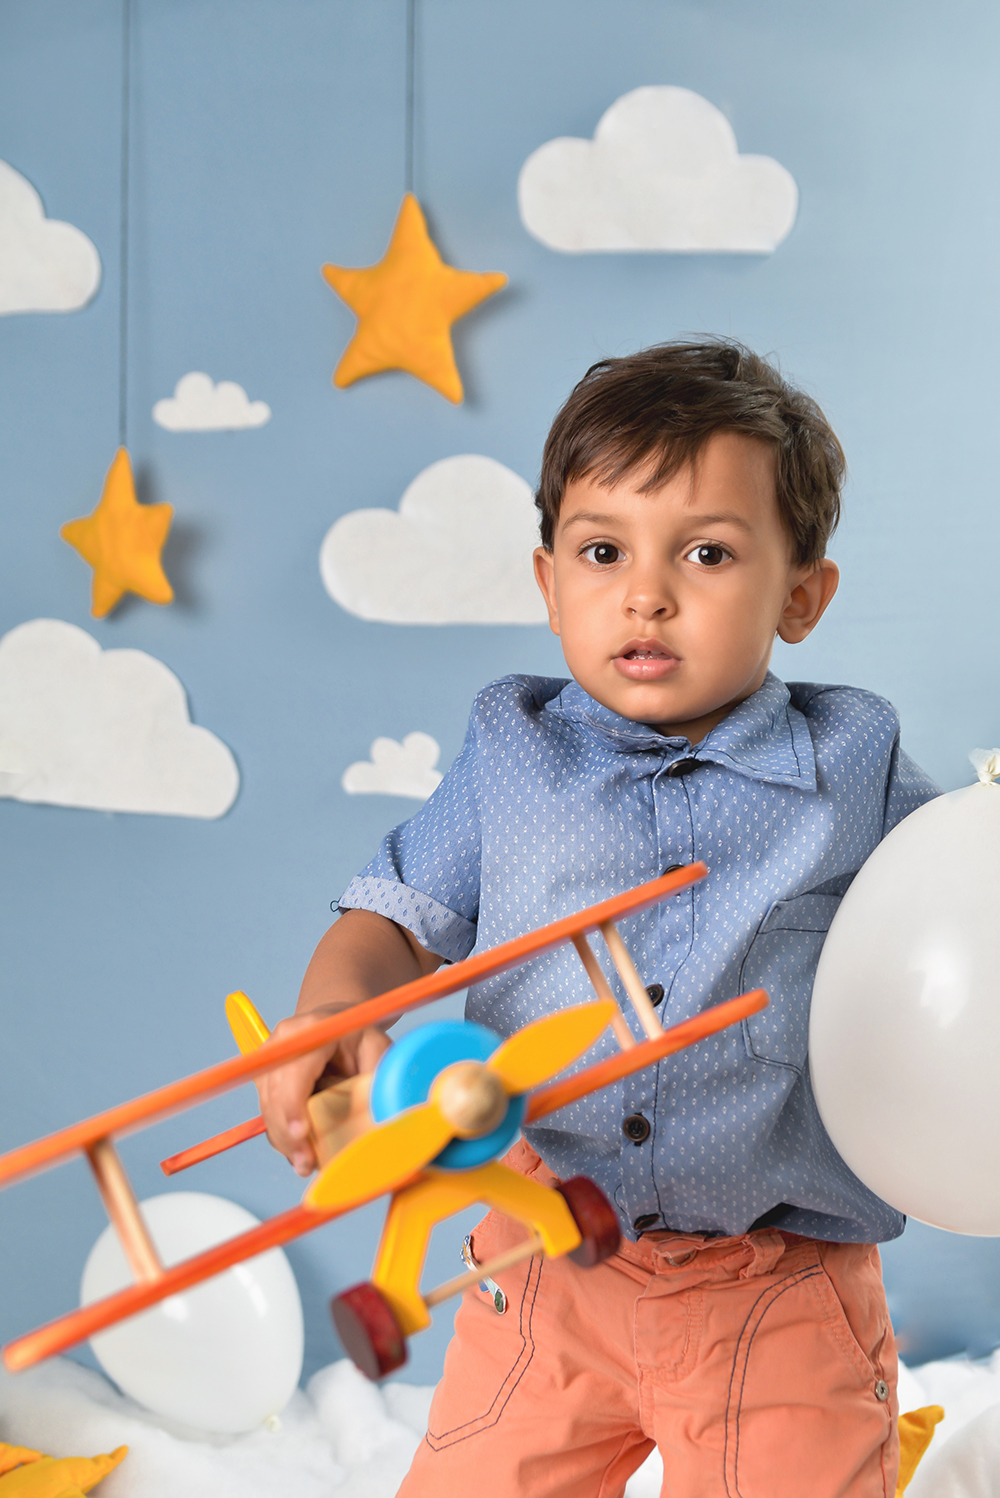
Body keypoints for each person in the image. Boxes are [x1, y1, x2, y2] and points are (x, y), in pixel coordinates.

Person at [259, 341, 939, 1498]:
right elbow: (394, 915)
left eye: (709, 553)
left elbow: (959, 924)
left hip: (779, 1290)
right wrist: (332, 1006)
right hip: (542, 1269)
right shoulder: (510, 752)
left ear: (801, 595)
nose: (646, 593)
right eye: (602, 551)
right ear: (547, 580)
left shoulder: (857, 761)